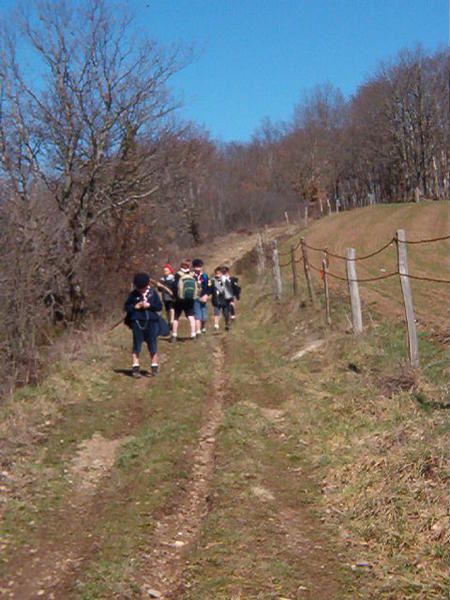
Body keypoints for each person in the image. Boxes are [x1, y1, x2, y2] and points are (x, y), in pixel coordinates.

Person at [124, 272, 163, 378]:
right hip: (137, 321)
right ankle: (135, 367)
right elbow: (126, 307)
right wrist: (135, 307)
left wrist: (149, 305)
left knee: (152, 344)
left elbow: (159, 307)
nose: (141, 290)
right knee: (137, 344)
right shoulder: (133, 294)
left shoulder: (153, 293)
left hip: (151, 321)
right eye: (139, 288)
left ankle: (154, 366)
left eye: (143, 288)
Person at [171, 259, 198, 342]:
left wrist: (175, 297)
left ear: (181, 266)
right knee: (191, 316)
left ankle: (174, 335)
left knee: (176, 317)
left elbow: (175, 287)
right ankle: (193, 334)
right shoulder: (193, 275)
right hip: (190, 300)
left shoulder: (178, 275)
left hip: (179, 300)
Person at [211, 265, 234, 332]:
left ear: (222, 273)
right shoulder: (213, 281)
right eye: (216, 273)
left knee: (226, 314)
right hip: (216, 300)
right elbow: (210, 289)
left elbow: (230, 290)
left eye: (219, 273)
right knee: (216, 313)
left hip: (225, 300)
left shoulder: (226, 280)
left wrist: (231, 300)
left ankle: (227, 324)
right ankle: (216, 326)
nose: (218, 275)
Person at [192, 258, 210, 335]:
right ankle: (198, 331)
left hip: (204, 297)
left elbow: (209, 287)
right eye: (196, 266)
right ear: (193, 267)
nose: (198, 268)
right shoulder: (191, 276)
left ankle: (203, 327)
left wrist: (206, 295)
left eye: (199, 266)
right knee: (197, 315)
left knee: (204, 316)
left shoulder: (205, 276)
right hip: (195, 297)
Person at [159, 264, 176, 328]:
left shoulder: (173, 278)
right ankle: (169, 322)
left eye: (166, 271)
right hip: (165, 296)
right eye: (164, 271)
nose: (165, 272)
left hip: (172, 296)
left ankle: (172, 321)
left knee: (172, 308)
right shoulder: (162, 279)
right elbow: (160, 289)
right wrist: (159, 286)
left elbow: (175, 287)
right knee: (167, 310)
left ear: (170, 271)